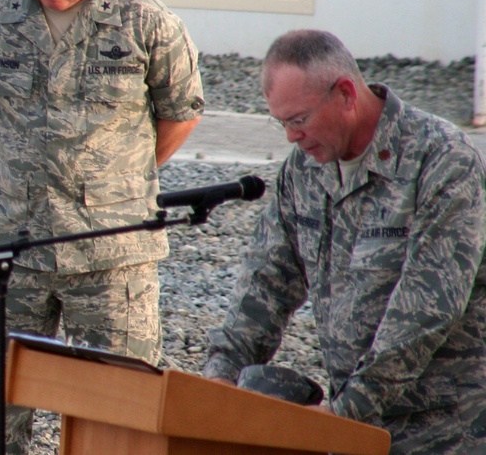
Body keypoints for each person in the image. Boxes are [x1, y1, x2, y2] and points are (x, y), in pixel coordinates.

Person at [0, 0, 204, 454]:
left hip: (112, 251)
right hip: (12, 246)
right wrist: (29, 166)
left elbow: (180, 112)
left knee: (122, 413)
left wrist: (117, 179)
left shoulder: (146, 22)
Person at [202, 29, 486, 453]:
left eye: (299, 120)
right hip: (357, 428)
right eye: (281, 123)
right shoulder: (302, 172)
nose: (291, 137)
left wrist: (347, 412)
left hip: (447, 431)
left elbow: (428, 310)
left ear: (347, 94)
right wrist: (218, 381)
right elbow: (266, 285)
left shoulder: (442, 161)